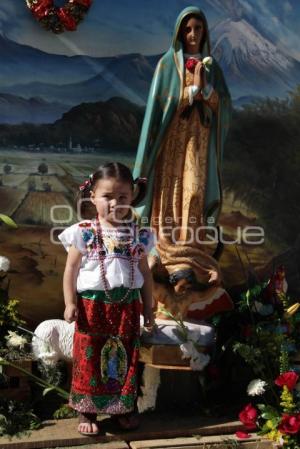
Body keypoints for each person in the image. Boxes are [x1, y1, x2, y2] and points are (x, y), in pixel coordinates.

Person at [133, 6, 232, 315]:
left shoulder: (212, 66)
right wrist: (189, 92)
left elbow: (224, 107)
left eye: (198, 29)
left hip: (199, 144)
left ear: (204, 32)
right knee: (168, 194)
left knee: (193, 193)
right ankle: (166, 252)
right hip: (170, 143)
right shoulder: (167, 65)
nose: (192, 35)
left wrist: (208, 90)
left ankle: (189, 254)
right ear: (179, 32)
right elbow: (157, 111)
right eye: (187, 29)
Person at [58, 162, 154, 435]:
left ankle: (124, 409)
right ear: (93, 197)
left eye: (122, 197)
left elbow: (145, 273)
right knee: (89, 357)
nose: (115, 203)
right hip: (92, 307)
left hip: (127, 306)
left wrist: (148, 307)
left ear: (132, 196)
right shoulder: (84, 231)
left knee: (125, 357)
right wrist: (70, 302)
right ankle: (87, 411)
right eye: (107, 196)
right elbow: (71, 269)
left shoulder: (139, 234)